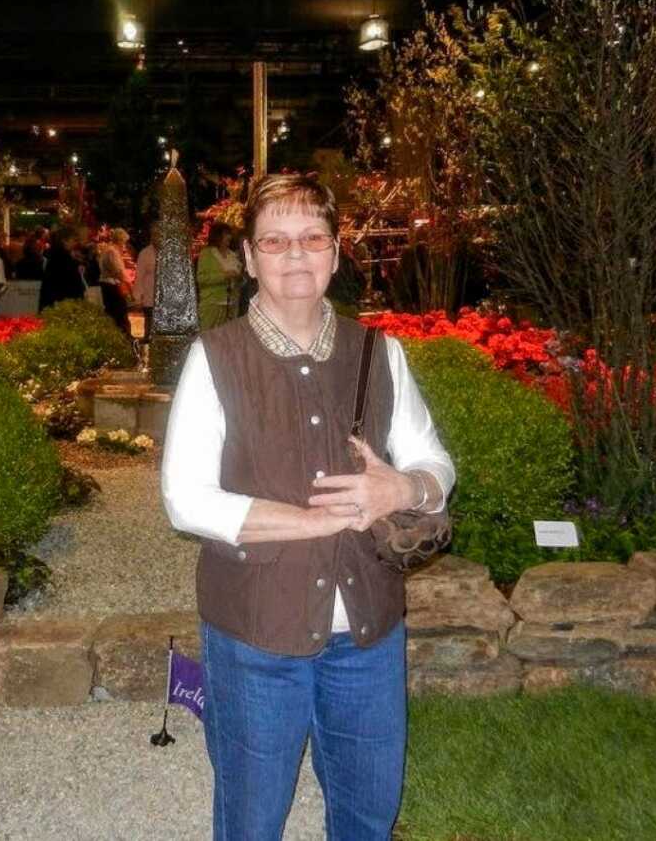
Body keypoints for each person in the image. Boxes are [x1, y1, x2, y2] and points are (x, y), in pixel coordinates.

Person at [161, 174, 455, 841]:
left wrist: (400, 489)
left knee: (367, 813)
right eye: (275, 240)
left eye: (311, 238)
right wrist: (311, 521)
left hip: (370, 635)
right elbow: (185, 498)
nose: (295, 255)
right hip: (256, 632)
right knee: (253, 817)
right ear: (248, 256)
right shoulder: (216, 358)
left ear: (335, 249)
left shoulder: (381, 352)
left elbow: (437, 464)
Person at [196, 221, 242, 329]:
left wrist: (239, 278)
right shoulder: (206, 254)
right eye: (225, 234)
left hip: (231, 305)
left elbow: (239, 279)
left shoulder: (233, 255)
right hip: (212, 304)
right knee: (209, 338)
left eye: (229, 234)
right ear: (217, 236)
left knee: (228, 339)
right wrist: (223, 276)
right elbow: (201, 279)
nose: (229, 237)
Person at [39, 228, 85, 311]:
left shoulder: (55, 255)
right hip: (63, 302)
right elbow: (69, 282)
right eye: (73, 240)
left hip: (55, 301)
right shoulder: (62, 258)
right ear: (64, 241)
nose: (75, 243)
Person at [98, 234, 131, 336]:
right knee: (120, 314)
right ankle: (123, 338)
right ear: (120, 241)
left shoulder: (108, 250)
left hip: (107, 284)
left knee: (112, 313)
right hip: (111, 285)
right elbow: (118, 271)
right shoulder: (112, 252)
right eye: (124, 242)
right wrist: (129, 284)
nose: (124, 245)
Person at [133, 229, 159, 337]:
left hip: (165, 299)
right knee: (149, 329)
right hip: (150, 298)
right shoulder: (145, 253)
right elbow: (139, 276)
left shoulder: (168, 253)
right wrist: (138, 297)